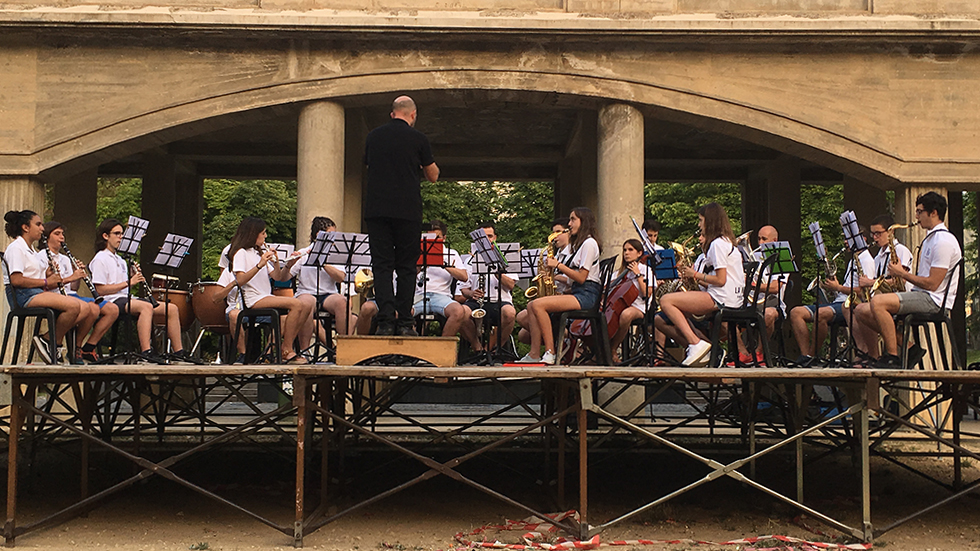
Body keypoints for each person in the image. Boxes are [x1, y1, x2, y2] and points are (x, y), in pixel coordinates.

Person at [364, 95, 439, 336]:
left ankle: (386, 321)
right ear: (413, 115)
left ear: (392, 113)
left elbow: (369, 166)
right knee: (407, 267)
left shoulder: (373, 136)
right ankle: (405, 322)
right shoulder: (418, 138)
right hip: (407, 211)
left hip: (377, 209)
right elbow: (433, 175)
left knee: (382, 266)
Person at [869, 192, 962, 368]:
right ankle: (910, 348)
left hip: (934, 300)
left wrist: (902, 274)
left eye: (920, 212)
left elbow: (933, 284)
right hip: (921, 294)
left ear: (933, 213)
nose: (916, 217)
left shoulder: (943, 241)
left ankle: (893, 357)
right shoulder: (931, 238)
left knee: (878, 302)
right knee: (861, 311)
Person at [89, 218, 192, 364]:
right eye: (117, 234)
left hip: (126, 298)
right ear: (105, 236)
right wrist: (129, 282)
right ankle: (146, 351)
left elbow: (125, 286)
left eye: (122, 234)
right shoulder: (100, 258)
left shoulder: (121, 260)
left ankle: (178, 352)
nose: (121, 237)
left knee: (171, 309)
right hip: (110, 300)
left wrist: (132, 276)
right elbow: (100, 290)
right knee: (146, 307)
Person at [658, 202, 744, 366]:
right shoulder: (725, 242)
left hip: (722, 298)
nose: (699, 225)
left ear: (709, 221)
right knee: (677, 312)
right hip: (727, 297)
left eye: (700, 220)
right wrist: (694, 280)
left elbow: (721, 280)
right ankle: (709, 349)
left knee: (666, 301)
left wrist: (695, 274)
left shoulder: (717, 244)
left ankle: (695, 343)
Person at [519, 207, 602, 365]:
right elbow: (574, 280)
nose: (569, 224)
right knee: (531, 305)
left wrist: (558, 265)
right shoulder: (580, 245)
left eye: (573, 219)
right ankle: (534, 353)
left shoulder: (589, 243)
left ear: (583, 221)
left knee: (538, 305)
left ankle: (550, 352)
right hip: (578, 291)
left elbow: (582, 278)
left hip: (586, 295)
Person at [227, 216, 312, 364]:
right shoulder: (241, 253)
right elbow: (240, 280)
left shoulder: (257, 253)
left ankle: (285, 346)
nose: (265, 236)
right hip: (253, 299)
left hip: (265, 296)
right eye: (263, 233)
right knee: (296, 304)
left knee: (306, 305)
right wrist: (260, 265)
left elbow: (278, 277)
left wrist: (283, 263)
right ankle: (287, 349)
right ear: (253, 234)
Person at [2, 210, 81, 363]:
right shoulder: (16, 248)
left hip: (34, 292)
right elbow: (16, 280)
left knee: (83, 309)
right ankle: (49, 341)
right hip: (23, 295)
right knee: (73, 306)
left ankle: (50, 342)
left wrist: (48, 275)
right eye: (38, 224)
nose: (42, 228)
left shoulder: (31, 250)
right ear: (26, 227)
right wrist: (46, 282)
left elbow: (33, 275)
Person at [789, 225, 874, 365]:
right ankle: (805, 356)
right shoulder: (854, 259)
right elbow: (849, 286)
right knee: (796, 312)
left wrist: (838, 287)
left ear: (862, 239)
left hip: (851, 305)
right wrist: (835, 287)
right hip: (839, 301)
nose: (845, 242)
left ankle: (812, 356)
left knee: (820, 314)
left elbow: (864, 292)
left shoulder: (867, 260)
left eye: (849, 238)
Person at [37, 221, 120, 363]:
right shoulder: (41, 257)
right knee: (90, 308)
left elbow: (73, 287)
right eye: (57, 234)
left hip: (70, 295)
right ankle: (57, 340)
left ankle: (78, 347)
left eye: (62, 234)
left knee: (103, 308)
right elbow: (46, 285)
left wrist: (77, 274)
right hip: (55, 296)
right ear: (46, 237)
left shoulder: (64, 259)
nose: (62, 237)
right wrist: (71, 277)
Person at [849, 214, 914, 362]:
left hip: (902, 296)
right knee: (857, 309)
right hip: (887, 299)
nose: (875, 238)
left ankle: (891, 353)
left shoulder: (901, 250)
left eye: (878, 233)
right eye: (873, 234)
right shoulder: (878, 256)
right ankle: (874, 354)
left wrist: (870, 282)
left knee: (868, 308)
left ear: (890, 232)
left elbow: (900, 280)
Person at [414, 220, 481, 349]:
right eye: (429, 237)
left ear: (444, 238)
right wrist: (419, 265)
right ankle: (413, 350)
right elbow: (407, 276)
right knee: (400, 312)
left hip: (441, 296)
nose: (433, 241)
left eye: (437, 238)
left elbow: (464, 277)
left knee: (458, 311)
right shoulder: (417, 252)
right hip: (419, 295)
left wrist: (444, 265)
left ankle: (441, 349)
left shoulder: (451, 253)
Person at [292, 217, 355, 349]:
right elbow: (286, 276)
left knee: (342, 302)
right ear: (319, 235)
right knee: (306, 304)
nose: (334, 238)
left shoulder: (335, 255)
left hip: (328, 294)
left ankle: (345, 348)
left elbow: (341, 278)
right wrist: (291, 262)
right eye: (331, 234)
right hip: (306, 292)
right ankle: (304, 350)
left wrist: (324, 263)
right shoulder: (304, 253)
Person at [459, 222, 517, 356]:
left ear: (495, 238)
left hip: (500, 300)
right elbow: (463, 289)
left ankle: (491, 349)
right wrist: (471, 293)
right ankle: (477, 348)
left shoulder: (506, 257)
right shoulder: (470, 260)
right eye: (483, 237)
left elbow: (511, 285)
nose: (487, 240)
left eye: (490, 236)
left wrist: (497, 271)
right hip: (477, 302)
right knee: (460, 312)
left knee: (510, 313)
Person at [735, 225, 788, 365]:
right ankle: (743, 353)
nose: (760, 243)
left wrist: (753, 286)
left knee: (768, 314)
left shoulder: (781, 257)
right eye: (758, 239)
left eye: (764, 239)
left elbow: (776, 287)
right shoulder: (753, 257)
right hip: (750, 303)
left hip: (772, 303)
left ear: (774, 241)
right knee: (723, 313)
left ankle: (759, 352)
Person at [515, 218, 571, 345]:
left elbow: (574, 279)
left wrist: (554, 277)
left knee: (522, 317)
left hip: (565, 296)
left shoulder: (572, 253)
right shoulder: (558, 254)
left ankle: (563, 337)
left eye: (558, 232)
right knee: (523, 335)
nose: (554, 236)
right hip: (555, 296)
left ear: (568, 233)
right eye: (553, 232)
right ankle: (558, 342)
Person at [607, 239, 654, 364]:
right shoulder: (619, 273)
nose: (626, 253)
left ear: (639, 253)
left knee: (626, 314)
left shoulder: (646, 270)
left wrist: (638, 275)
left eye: (630, 250)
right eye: (625, 250)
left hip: (638, 306)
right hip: (620, 305)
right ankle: (599, 349)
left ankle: (613, 348)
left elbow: (647, 294)